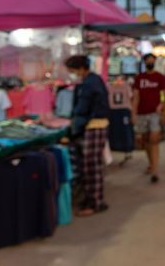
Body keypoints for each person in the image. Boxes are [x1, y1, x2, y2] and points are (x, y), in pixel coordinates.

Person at [65, 55, 110, 217]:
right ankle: (91, 199)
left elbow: (83, 108)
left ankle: (95, 202)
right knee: (89, 165)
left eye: (72, 70)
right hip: (92, 125)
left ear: (81, 68)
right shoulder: (89, 82)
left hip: (94, 126)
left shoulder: (91, 83)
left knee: (92, 167)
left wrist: (75, 122)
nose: (72, 74)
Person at [132, 53, 165, 184]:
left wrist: (163, 108)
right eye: (148, 61)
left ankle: (154, 170)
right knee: (146, 140)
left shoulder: (160, 77)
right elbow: (136, 97)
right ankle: (151, 163)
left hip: (155, 113)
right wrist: (133, 113)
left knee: (154, 139)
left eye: (151, 60)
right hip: (142, 113)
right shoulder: (139, 78)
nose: (150, 62)